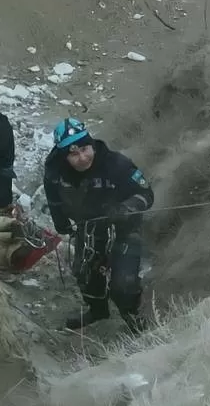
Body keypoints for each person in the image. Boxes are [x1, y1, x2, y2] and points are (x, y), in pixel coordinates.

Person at [43, 118, 153, 333]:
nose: (82, 158)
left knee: (124, 283)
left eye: (85, 149)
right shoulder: (54, 171)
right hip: (89, 227)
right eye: (74, 154)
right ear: (64, 156)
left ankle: (131, 315)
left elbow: (146, 194)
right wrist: (61, 222)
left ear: (91, 144)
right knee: (85, 273)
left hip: (124, 227)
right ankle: (97, 309)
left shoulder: (117, 164)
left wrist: (127, 208)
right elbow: (54, 199)